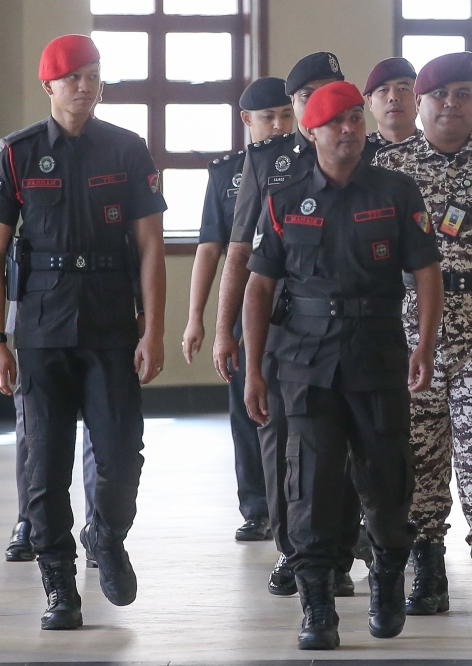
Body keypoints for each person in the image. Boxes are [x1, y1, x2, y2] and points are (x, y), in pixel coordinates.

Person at [241, 81, 444, 650]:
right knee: (310, 483)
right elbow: (260, 288)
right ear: (311, 131)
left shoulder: (398, 193)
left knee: (387, 478)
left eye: (356, 119)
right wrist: (254, 368)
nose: (350, 130)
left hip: (377, 353)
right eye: (337, 122)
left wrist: (423, 345)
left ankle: (384, 578)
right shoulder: (283, 200)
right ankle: (317, 606)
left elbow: (426, 272)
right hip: (304, 362)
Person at [0, 34, 167, 630]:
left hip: (111, 322)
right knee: (46, 465)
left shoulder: (127, 150)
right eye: (73, 77)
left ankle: (106, 535)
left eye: (93, 75)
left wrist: (153, 329)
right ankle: (59, 583)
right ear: (49, 87)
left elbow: (151, 249)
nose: (86, 86)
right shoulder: (18, 153)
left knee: (120, 454)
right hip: (39, 326)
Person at [373, 51, 472, 618]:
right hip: (411, 331)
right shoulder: (389, 170)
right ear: (418, 104)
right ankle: (427, 566)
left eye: (463, 94)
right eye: (439, 95)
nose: (450, 104)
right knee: (419, 453)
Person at [212, 52, 365, 598]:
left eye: (332, 92)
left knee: (343, 445)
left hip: (350, 328)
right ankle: (292, 551)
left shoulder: (367, 155)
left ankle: (338, 554)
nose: (321, 105)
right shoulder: (268, 161)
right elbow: (238, 252)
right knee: (279, 444)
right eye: (306, 97)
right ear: (296, 106)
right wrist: (224, 328)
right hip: (283, 328)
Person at [181, 77, 294, 543]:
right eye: (269, 118)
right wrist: (200, 319)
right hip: (248, 306)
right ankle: (256, 507)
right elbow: (212, 250)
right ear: (246, 120)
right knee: (248, 406)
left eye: (287, 115)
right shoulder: (225, 172)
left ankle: (298, 504)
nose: (279, 125)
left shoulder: (308, 161)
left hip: (294, 300)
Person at [0, 231, 98, 563]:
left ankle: (97, 526)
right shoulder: (20, 176)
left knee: (99, 424)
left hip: (94, 309)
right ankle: (28, 521)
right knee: (31, 425)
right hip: (29, 314)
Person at [363, 57, 420, 149]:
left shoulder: (438, 147)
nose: (393, 97)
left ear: (419, 99)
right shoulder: (356, 151)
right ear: (370, 102)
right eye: (383, 90)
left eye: (402, 89)